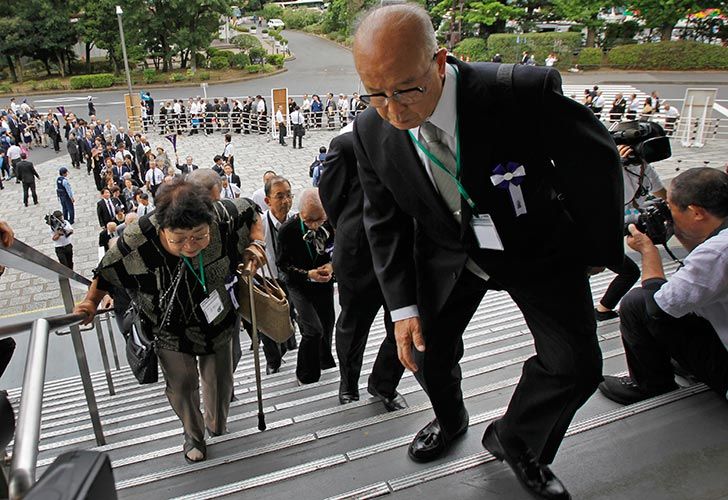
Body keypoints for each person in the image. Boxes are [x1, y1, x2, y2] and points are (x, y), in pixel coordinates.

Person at [351, 5, 622, 499]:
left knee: (578, 366)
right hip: (448, 254)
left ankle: (518, 439)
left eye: (407, 89)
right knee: (425, 354)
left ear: (439, 62)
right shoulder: (370, 131)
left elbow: (597, 160)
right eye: (374, 92)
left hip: (533, 245)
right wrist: (402, 306)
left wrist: (596, 246)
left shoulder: (519, 92)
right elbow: (382, 219)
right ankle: (451, 419)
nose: (392, 110)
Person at [74, 179, 266, 464]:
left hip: (219, 319)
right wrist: (90, 302)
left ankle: (216, 425)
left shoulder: (223, 215)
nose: (191, 246)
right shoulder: (137, 239)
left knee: (220, 381)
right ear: (162, 229)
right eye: (179, 240)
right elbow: (106, 271)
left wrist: (257, 244)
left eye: (199, 236)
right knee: (182, 384)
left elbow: (253, 212)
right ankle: (193, 435)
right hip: (168, 326)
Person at [599, 168, 728, 405]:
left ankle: (650, 384)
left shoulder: (716, 253)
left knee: (636, 302)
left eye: (671, 206)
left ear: (696, 212)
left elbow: (659, 307)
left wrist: (648, 251)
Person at [319, 128, 406, 410]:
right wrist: (349, 227)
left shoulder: (409, 137)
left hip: (402, 251)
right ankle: (348, 383)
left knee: (404, 323)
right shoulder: (345, 145)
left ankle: (384, 383)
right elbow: (330, 199)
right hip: (358, 254)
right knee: (353, 325)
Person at [594, 144, 667, 321]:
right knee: (625, 271)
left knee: (627, 272)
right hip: (600, 231)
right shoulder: (640, 168)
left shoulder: (643, 168)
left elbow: (664, 196)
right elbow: (665, 196)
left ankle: (601, 310)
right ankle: (599, 310)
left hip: (610, 228)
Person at [276, 188, 336, 384]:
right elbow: (282, 265)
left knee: (327, 325)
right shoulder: (288, 230)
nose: (315, 225)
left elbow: (339, 249)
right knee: (313, 329)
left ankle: (324, 362)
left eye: (319, 219)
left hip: (323, 283)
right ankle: (306, 374)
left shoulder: (330, 223)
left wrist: (332, 266)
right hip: (299, 284)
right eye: (309, 220)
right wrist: (308, 274)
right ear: (300, 213)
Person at [259, 175, 298, 374]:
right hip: (268, 281)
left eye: (289, 195)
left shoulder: (297, 219)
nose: (286, 201)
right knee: (267, 323)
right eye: (280, 196)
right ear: (267, 201)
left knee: (291, 313)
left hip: (292, 278)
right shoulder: (260, 224)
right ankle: (273, 361)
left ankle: (289, 342)